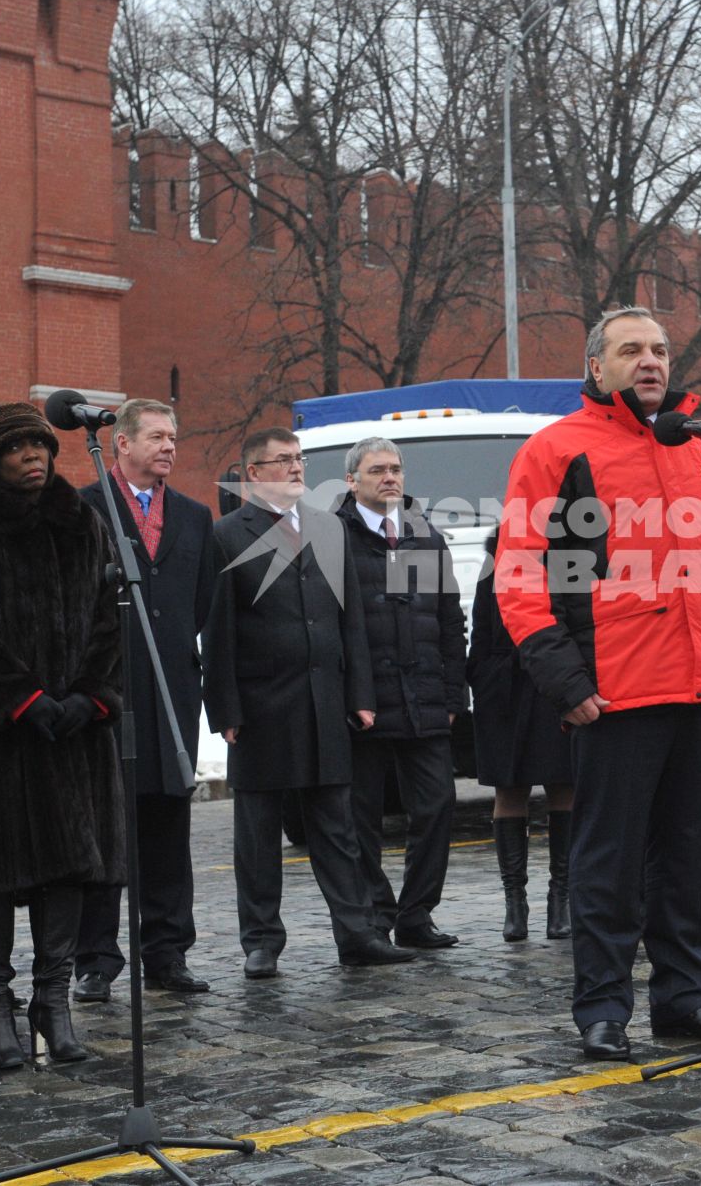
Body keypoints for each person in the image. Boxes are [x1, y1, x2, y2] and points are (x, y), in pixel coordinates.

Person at [495, 306, 701, 1062]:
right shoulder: (555, 450)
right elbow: (518, 576)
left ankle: (685, 997)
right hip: (613, 689)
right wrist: (563, 677)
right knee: (608, 861)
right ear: (597, 366)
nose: (649, 361)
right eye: (630, 351)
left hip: (700, 682)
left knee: (685, 857)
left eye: (658, 349)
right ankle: (603, 1007)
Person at [0, 403, 127, 1069]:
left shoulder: (82, 521)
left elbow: (109, 615)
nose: (33, 456)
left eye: (40, 445)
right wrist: (23, 698)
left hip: (72, 730)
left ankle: (53, 1001)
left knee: (67, 867)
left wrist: (90, 696)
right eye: (17, 448)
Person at [205, 428, 411, 973]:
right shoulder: (226, 535)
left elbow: (352, 621)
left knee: (337, 831)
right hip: (259, 708)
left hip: (325, 703)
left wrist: (360, 693)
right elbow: (218, 631)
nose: (297, 469)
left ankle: (358, 935)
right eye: (283, 461)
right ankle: (262, 942)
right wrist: (224, 710)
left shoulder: (328, 527)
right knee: (258, 835)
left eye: (299, 460)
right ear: (254, 474)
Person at [76, 399, 215, 1001]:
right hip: (108, 691)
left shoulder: (193, 515)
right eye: (156, 437)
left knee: (167, 825)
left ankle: (166, 952)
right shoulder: (84, 509)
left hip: (173, 693)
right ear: (121, 444)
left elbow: (201, 601)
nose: (168, 447)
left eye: (173, 438)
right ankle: (95, 960)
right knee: (106, 830)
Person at [334, 439, 466, 950]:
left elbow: (450, 622)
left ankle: (417, 914)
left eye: (396, 469)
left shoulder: (425, 538)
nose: (390, 478)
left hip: (425, 700)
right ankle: (375, 913)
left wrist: (454, 696)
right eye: (377, 471)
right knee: (361, 817)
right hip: (363, 707)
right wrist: (350, 695)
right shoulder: (334, 538)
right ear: (352, 481)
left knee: (437, 806)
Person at [468, 528, 572, 943]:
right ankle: (516, 905)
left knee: (565, 786)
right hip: (504, 691)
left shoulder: (569, 556)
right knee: (509, 790)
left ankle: (560, 901)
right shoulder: (495, 560)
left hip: (554, 685)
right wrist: (484, 681)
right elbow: (479, 631)